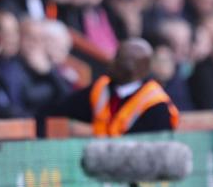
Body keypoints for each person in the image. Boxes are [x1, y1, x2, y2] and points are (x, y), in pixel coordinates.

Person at [39, 38, 178, 136]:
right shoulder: (101, 89)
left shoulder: (156, 103)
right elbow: (58, 110)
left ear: (144, 68)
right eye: (119, 58)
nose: (120, 64)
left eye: (129, 61)